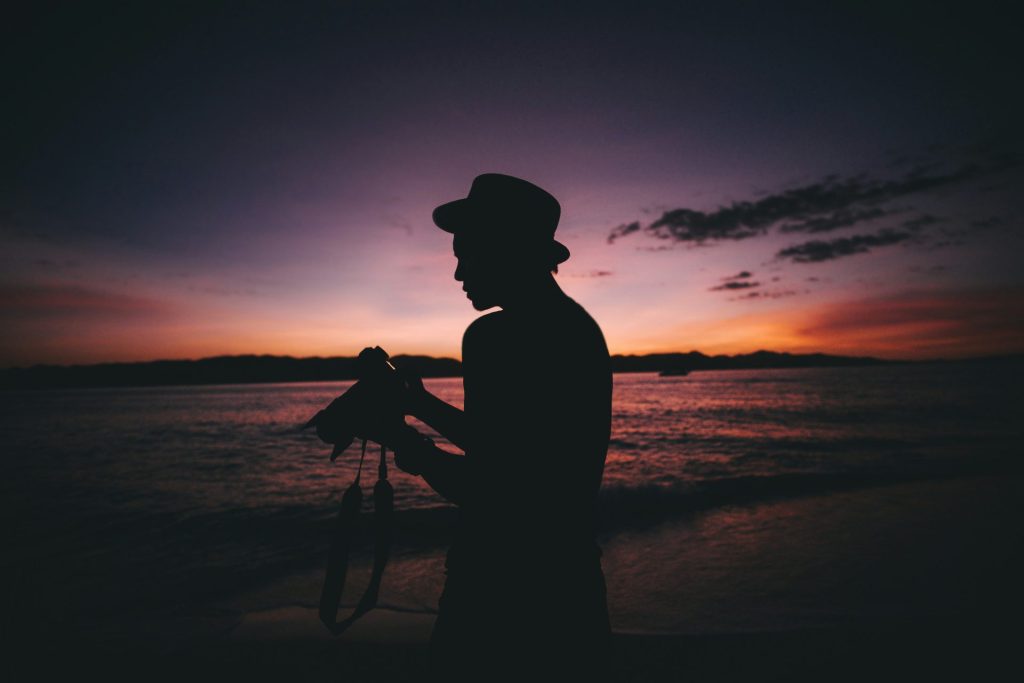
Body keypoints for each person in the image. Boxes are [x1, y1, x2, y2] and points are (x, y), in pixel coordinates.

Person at [391, 173, 613, 681]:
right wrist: (420, 404)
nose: (458, 273)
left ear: (506, 248)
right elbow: (506, 446)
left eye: (466, 253)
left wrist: (407, 443)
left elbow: (493, 488)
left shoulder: (494, 336)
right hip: (570, 587)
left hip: (496, 593)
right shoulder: (577, 327)